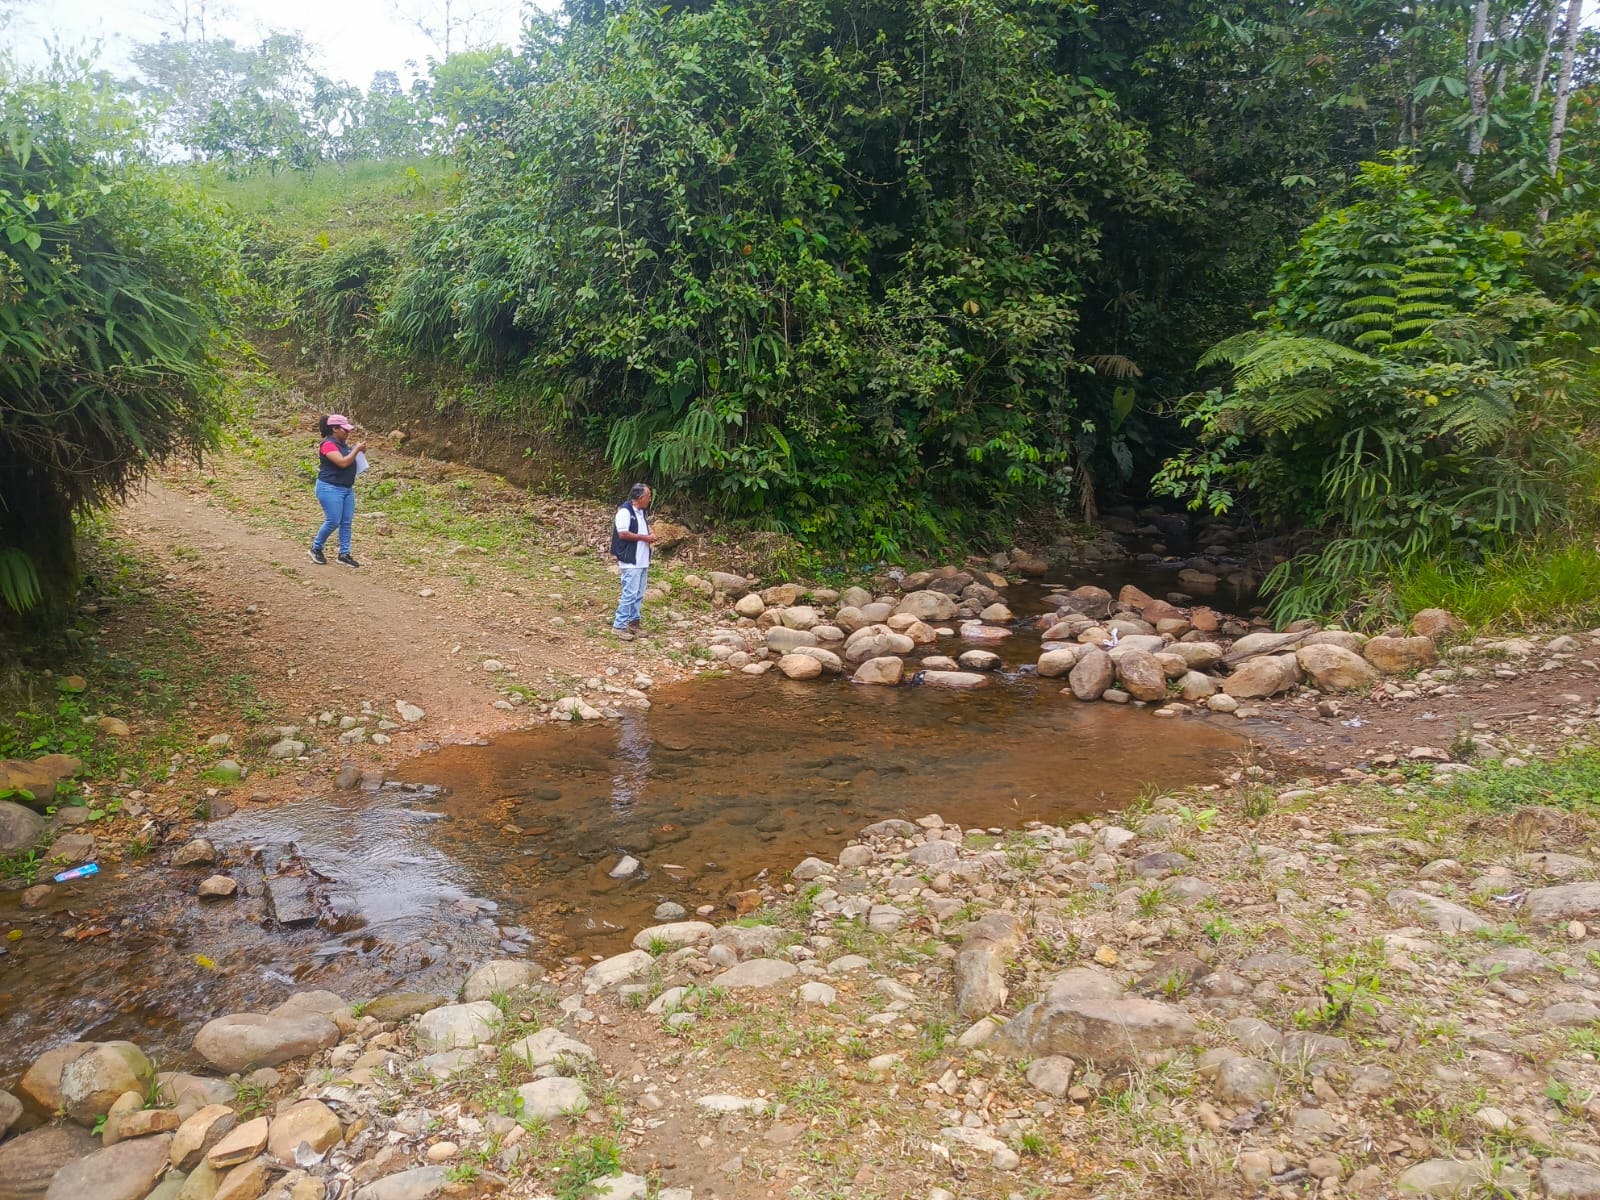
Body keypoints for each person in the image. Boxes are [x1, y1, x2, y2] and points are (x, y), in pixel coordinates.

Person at [309, 414, 367, 568]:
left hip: (346, 488)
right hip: (329, 487)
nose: (348, 433)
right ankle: (316, 548)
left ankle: (344, 554)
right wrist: (356, 450)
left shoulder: (342, 444)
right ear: (335, 429)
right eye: (345, 430)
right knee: (333, 521)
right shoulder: (328, 444)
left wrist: (358, 452)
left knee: (346, 522)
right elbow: (342, 463)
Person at [610, 483, 657, 640]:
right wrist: (645, 538)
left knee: (638, 594)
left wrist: (648, 537)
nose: (650, 499)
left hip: (641, 559)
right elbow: (623, 534)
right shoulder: (625, 512)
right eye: (648, 496)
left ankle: (633, 623)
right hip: (630, 559)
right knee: (629, 593)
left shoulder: (641, 512)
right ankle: (619, 626)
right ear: (641, 497)